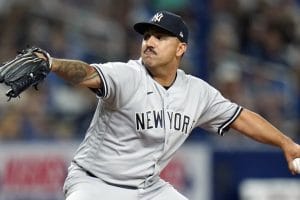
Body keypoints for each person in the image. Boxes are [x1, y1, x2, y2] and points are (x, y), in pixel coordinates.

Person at [37, 11, 300, 200]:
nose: (149, 42)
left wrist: (284, 142)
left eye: (160, 37)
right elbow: (86, 73)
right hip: (95, 185)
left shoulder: (196, 92)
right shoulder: (128, 75)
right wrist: (52, 64)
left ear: (181, 48)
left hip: (148, 189)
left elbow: (240, 117)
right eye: (147, 36)